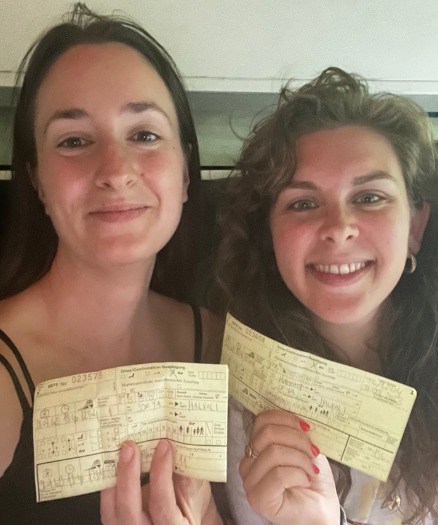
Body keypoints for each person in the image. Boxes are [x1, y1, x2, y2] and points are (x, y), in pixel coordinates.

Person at [0, 3, 225, 524]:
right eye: (74, 141)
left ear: (185, 173)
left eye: (144, 135)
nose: (116, 170)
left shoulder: (220, 346)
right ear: (37, 181)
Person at [214, 67, 438, 524]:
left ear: (415, 227)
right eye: (303, 203)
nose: (338, 228)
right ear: (270, 235)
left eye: (369, 197)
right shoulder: (240, 403)